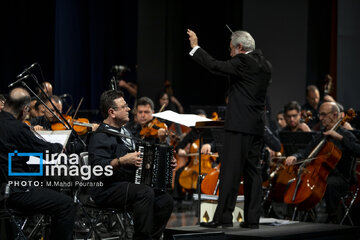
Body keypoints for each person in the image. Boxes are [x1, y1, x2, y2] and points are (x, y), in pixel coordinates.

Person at [187, 29, 271, 228]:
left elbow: (215, 66)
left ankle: (223, 218)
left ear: (240, 47)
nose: (230, 53)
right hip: (257, 126)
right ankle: (252, 220)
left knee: (230, 171)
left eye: (231, 49)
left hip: (239, 125)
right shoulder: (265, 65)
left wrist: (195, 48)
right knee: (253, 172)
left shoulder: (243, 61)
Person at [88, 90, 175, 240]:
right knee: (144, 192)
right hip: (105, 188)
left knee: (165, 200)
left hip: (127, 184)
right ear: (112, 112)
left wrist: (164, 162)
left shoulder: (126, 132)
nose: (129, 109)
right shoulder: (100, 136)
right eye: (124, 106)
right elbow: (97, 169)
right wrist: (121, 161)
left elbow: (141, 157)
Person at [0, 87, 75, 240]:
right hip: (16, 191)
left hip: (3, 188)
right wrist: (59, 147)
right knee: (66, 205)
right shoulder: (18, 127)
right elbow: (44, 150)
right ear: (24, 109)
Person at [285, 102, 360, 223]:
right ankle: (296, 219)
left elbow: (357, 150)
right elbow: (306, 153)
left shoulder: (345, 135)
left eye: (324, 115)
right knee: (293, 182)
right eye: (320, 115)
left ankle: (333, 219)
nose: (320, 118)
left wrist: (340, 138)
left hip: (341, 178)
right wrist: (294, 156)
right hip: (319, 176)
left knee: (329, 185)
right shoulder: (321, 136)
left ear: (335, 115)